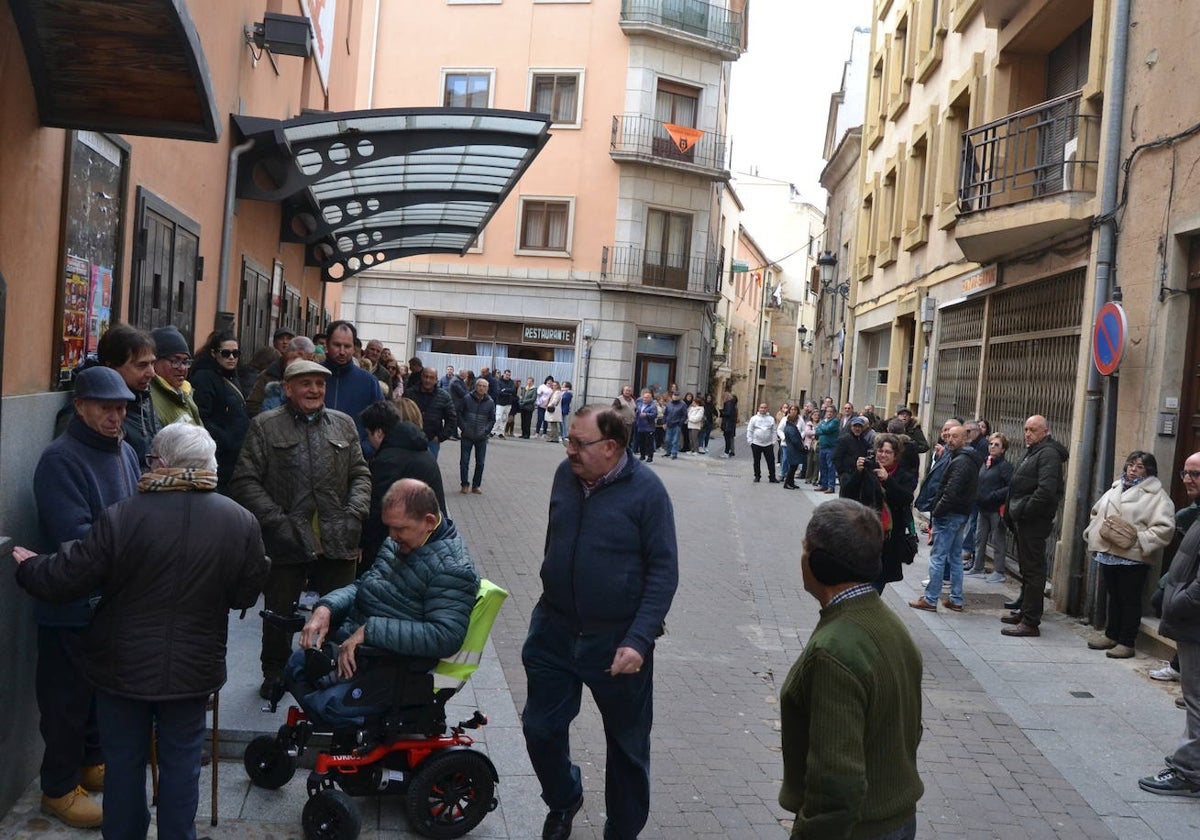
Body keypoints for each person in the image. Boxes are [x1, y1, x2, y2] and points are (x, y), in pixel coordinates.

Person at [14, 424, 269, 840]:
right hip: (193, 669)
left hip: (122, 669)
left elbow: (70, 575)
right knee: (181, 768)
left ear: (162, 464)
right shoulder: (240, 521)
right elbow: (245, 593)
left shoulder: (122, 516)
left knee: (124, 764)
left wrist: (30, 567)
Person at [522, 405, 679, 840]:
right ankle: (564, 797)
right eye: (569, 440)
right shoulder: (564, 475)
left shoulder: (647, 492)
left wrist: (639, 639)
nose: (569, 449)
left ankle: (622, 831)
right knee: (540, 728)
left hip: (618, 640)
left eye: (579, 442)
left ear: (611, 447)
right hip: (554, 629)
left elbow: (664, 572)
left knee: (627, 748)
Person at [28, 367, 142, 828]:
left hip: (112, 600)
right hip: (69, 602)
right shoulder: (60, 458)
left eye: (121, 409)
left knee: (97, 693)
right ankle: (57, 788)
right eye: (106, 408)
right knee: (65, 702)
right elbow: (73, 536)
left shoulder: (127, 451)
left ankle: (92, 763)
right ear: (80, 406)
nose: (116, 418)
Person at [779, 498, 923, 839]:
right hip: (896, 818)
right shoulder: (888, 623)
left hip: (858, 829)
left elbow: (836, 782)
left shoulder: (835, 651)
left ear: (819, 563)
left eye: (805, 549)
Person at [230, 359, 371, 698]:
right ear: (289, 388)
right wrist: (277, 521)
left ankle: (334, 669)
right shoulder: (265, 426)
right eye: (306, 383)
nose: (314, 390)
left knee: (339, 610)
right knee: (279, 612)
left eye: (319, 384)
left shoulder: (344, 424)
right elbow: (245, 482)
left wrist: (354, 512)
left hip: (336, 538)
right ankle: (275, 672)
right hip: (285, 540)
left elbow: (361, 475)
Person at [288, 479, 478, 727]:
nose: (391, 536)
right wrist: (326, 607)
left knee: (326, 705)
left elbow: (445, 636)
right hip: (360, 654)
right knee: (297, 665)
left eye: (400, 529)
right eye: (389, 527)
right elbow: (363, 586)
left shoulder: (453, 568)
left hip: (393, 667)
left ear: (429, 522)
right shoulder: (400, 543)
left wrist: (370, 631)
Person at [1139, 451, 1200, 797]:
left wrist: (1177, 605)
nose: (1189, 479)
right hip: (1191, 622)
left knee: (1196, 700)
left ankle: (1189, 771)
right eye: (1186, 473)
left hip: (1194, 623)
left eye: (1196, 474)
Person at [1080, 451, 1174, 658]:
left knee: (1130, 600)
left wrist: (1139, 540)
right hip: (1108, 552)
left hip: (1133, 557)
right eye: (1131, 464)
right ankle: (1111, 634)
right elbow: (1097, 510)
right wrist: (1094, 529)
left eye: (1139, 466)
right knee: (1113, 596)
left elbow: (1164, 528)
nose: (1133, 469)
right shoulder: (1117, 486)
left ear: (1149, 471)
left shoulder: (1157, 496)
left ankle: (1127, 641)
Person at [1001, 415, 1069, 638]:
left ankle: (1031, 621)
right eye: (1026, 429)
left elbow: (1046, 491)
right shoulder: (1034, 450)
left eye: (1033, 430)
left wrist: (1024, 511)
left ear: (1045, 431)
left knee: (1034, 570)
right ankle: (1025, 611)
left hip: (1033, 522)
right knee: (1027, 570)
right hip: (1024, 520)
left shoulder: (1048, 454)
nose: (1027, 434)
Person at [360, 400, 448, 569]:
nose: (369, 441)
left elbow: (377, 508)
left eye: (368, 434)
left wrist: (361, 543)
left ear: (378, 432)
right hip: (429, 536)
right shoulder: (417, 448)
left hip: (411, 542)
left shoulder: (389, 459)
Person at [909, 424, 979, 613]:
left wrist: (938, 512)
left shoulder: (962, 461)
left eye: (955, 437)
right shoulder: (961, 458)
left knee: (938, 557)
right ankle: (956, 599)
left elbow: (951, 491)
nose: (949, 439)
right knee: (955, 557)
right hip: (958, 514)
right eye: (948, 436)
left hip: (949, 515)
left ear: (965, 439)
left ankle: (931, 599)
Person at [841, 433, 919, 593]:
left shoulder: (903, 475)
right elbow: (847, 494)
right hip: (865, 536)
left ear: (896, 455)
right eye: (880, 451)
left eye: (888, 452)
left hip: (888, 541)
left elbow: (906, 498)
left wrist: (888, 480)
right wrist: (858, 473)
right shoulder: (868, 471)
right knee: (858, 583)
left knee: (874, 588)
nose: (883, 455)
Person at [188, 330, 249, 494]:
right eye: (226, 353)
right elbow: (201, 416)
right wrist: (226, 440)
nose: (231, 357)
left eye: (235, 353)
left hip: (235, 456)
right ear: (214, 353)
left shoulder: (233, 376)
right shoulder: (204, 378)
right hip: (219, 455)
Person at [322, 321, 385, 453]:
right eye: (337, 345)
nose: (342, 352)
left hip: (355, 462)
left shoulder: (369, 382)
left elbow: (381, 422)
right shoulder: (314, 376)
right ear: (327, 344)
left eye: (347, 346)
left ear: (354, 348)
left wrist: (365, 450)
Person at [968, 433, 1015, 582]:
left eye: (997, 445)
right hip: (983, 507)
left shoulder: (1005, 466)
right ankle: (978, 567)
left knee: (998, 540)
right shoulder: (986, 463)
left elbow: (1011, 487)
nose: (992, 447)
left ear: (1003, 449)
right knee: (979, 538)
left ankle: (999, 571)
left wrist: (993, 495)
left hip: (996, 509)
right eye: (991, 444)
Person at [149, 325, 202, 427]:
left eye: (185, 361)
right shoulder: (149, 400)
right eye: (175, 361)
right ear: (155, 361)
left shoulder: (185, 393)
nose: (182, 368)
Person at [409, 366, 457, 458]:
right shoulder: (410, 393)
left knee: (428, 470)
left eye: (431, 378)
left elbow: (452, 418)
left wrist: (441, 437)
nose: (428, 380)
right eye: (425, 377)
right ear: (421, 377)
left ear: (436, 380)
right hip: (411, 439)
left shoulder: (444, 396)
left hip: (432, 441)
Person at [458, 377, 496, 494]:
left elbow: (492, 419)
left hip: (481, 437)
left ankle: (476, 485)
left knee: (480, 462)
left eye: (484, 386)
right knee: (464, 461)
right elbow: (459, 413)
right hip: (467, 435)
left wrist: (486, 431)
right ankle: (464, 484)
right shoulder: (467, 398)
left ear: (487, 389)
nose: (481, 388)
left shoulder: (490, 402)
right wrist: (463, 427)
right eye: (480, 385)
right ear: (476, 386)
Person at [834, 415, 872, 487]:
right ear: (851, 427)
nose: (857, 428)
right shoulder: (843, 440)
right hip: (847, 474)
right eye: (855, 426)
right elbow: (836, 457)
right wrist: (841, 473)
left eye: (860, 426)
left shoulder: (864, 442)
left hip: (859, 475)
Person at [746, 402, 778, 483]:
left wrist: (773, 442)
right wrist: (750, 441)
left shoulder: (771, 419)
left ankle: (772, 477)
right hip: (756, 443)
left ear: (767, 409)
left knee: (771, 461)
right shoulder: (754, 418)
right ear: (758, 408)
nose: (763, 409)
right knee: (756, 461)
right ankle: (757, 476)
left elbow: (774, 431)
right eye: (761, 407)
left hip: (768, 444)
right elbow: (750, 430)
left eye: (765, 408)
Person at [814, 406, 841, 493]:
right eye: (827, 411)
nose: (829, 413)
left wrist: (821, 427)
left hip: (831, 448)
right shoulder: (824, 421)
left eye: (831, 412)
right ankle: (823, 485)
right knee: (823, 467)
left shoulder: (835, 421)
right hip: (822, 447)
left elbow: (827, 429)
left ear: (834, 413)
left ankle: (831, 486)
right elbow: (817, 430)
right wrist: (822, 428)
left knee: (830, 467)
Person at [781, 405, 806, 489]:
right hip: (793, 449)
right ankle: (787, 483)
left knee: (794, 467)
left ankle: (791, 482)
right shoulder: (791, 428)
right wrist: (801, 448)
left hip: (793, 449)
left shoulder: (791, 427)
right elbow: (795, 440)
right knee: (792, 467)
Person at [492, 369, 519, 438]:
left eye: (509, 375)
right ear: (504, 374)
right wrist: (507, 392)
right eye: (506, 374)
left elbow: (513, 391)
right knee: (498, 417)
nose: (508, 376)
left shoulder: (511, 382)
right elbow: (498, 392)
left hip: (508, 403)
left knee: (504, 418)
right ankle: (493, 431)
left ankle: (501, 432)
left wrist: (504, 390)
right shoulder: (499, 381)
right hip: (500, 403)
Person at [634, 389, 658, 463]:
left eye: (647, 398)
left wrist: (646, 415)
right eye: (644, 397)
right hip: (640, 426)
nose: (645, 399)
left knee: (649, 443)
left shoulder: (653, 406)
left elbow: (654, 414)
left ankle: (650, 457)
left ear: (650, 398)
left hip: (649, 427)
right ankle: (642, 456)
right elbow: (636, 410)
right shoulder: (640, 404)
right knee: (641, 442)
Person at [663, 390, 687, 459]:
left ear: (679, 396)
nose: (675, 397)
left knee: (675, 440)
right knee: (667, 439)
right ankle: (668, 452)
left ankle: (674, 453)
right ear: (672, 396)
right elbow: (665, 414)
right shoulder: (669, 404)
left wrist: (680, 423)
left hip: (677, 424)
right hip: (669, 424)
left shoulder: (683, 405)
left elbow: (684, 415)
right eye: (674, 395)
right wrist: (664, 422)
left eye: (677, 396)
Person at [719, 391, 738, 457]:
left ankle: (726, 452)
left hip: (728, 424)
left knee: (727, 438)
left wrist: (721, 411)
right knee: (728, 438)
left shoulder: (728, 404)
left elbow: (727, 413)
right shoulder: (732, 404)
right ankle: (728, 451)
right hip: (730, 424)